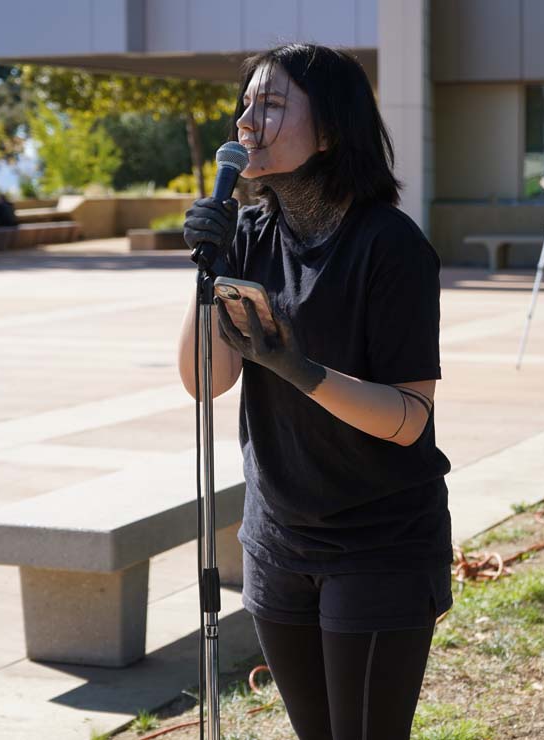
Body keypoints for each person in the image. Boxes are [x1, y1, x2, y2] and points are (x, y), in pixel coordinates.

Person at [176, 43, 452, 740]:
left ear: (329, 129)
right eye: (246, 104)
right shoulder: (248, 234)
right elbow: (205, 382)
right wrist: (203, 274)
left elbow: (409, 420)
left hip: (379, 544)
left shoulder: (391, 246)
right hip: (278, 540)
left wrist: (300, 370)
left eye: (271, 105)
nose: (247, 122)